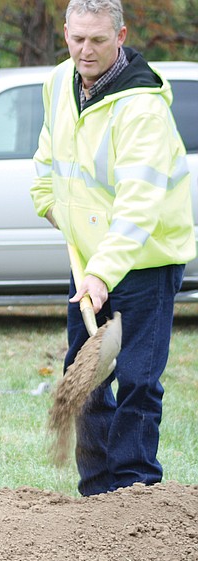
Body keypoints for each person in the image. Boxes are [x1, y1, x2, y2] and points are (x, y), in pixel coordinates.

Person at [31, 0, 195, 496]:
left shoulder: (142, 108)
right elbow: (49, 151)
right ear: (65, 33)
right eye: (77, 38)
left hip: (144, 260)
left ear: (120, 36)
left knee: (137, 379)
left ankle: (133, 493)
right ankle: (97, 490)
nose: (86, 50)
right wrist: (46, 197)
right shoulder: (60, 81)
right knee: (85, 376)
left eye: (98, 40)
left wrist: (102, 273)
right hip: (90, 263)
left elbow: (138, 207)